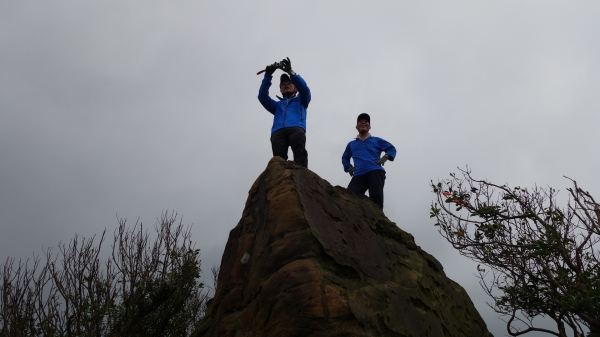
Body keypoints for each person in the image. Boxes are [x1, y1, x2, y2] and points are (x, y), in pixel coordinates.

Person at [258, 57, 311, 167]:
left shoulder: (302, 100)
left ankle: (303, 178)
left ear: (295, 88)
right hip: (278, 132)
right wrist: (267, 76)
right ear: (280, 89)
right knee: (278, 159)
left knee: (299, 151)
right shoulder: (277, 106)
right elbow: (262, 97)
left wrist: (291, 72)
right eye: (283, 84)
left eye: (289, 83)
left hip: (296, 128)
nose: (286, 84)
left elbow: (304, 89)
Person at [342, 113, 396, 210]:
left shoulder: (376, 140)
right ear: (356, 127)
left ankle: (379, 223)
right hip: (359, 174)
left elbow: (391, 148)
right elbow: (345, 158)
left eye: (366, 122)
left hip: (375, 171)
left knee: (376, 199)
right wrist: (348, 167)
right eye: (360, 122)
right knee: (349, 198)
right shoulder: (351, 144)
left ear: (369, 126)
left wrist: (386, 157)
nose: (363, 123)